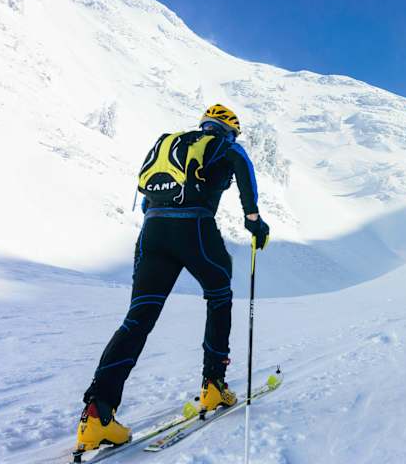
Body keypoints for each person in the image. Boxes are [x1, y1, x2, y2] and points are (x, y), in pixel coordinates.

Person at [75, 104, 271, 453]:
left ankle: (97, 416)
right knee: (220, 295)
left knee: (137, 319)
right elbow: (243, 166)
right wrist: (253, 220)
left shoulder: (173, 144)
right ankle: (214, 385)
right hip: (194, 226)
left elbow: (149, 200)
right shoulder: (224, 143)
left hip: (153, 233)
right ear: (228, 128)